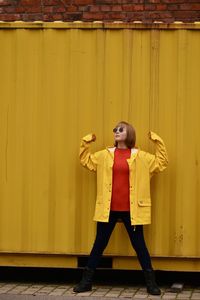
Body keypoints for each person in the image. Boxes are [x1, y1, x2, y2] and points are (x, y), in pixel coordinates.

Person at [73, 121, 168, 295]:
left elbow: (161, 162)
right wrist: (86, 141)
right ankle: (85, 282)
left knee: (140, 246)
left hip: (132, 210)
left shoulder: (140, 156)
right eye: (115, 130)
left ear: (129, 133)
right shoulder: (105, 155)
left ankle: (151, 284)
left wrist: (157, 141)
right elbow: (85, 160)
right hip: (108, 209)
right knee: (99, 245)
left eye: (120, 129)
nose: (116, 132)